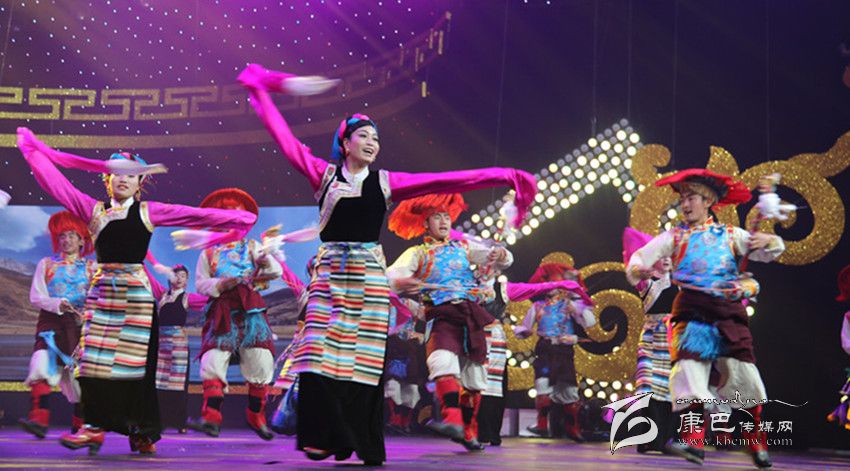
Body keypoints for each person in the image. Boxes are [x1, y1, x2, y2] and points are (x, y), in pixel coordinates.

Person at [238, 63, 536, 465]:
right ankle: (324, 434)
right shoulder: (324, 176)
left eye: (376, 138)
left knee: (362, 364)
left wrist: (504, 175)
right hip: (330, 276)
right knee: (316, 354)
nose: (372, 143)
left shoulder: (385, 182)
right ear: (345, 143)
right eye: (363, 135)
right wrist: (259, 91)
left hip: (368, 278)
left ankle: (360, 441)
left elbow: (448, 180)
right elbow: (284, 138)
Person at [17, 127, 257, 455]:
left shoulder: (148, 211)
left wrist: (237, 218)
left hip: (136, 297)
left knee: (134, 368)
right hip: (102, 294)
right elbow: (56, 184)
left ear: (140, 182)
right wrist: (31, 151)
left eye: (131, 175)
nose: (124, 179)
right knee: (92, 362)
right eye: (117, 173)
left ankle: (140, 430)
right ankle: (93, 427)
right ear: (107, 179)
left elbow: (193, 214)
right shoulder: (93, 210)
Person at [625, 169, 784, 468]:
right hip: (692, 310)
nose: (685, 204)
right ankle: (693, 440)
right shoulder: (674, 236)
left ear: (708, 201)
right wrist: (638, 269)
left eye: (692, 198)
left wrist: (769, 241)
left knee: (742, 374)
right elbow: (640, 257)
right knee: (690, 372)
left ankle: (755, 441)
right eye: (683, 199)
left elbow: (767, 252)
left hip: (727, 312)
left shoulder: (730, 235)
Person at [387, 193, 512, 451]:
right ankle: (452, 419)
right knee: (442, 361)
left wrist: (500, 254)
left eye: (446, 216)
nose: (443, 221)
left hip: (470, 316)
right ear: (425, 223)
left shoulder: (464, 248)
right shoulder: (417, 253)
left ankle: (469, 431)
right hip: (442, 315)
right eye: (437, 217)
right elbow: (392, 277)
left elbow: (501, 259)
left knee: (475, 378)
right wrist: (405, 282)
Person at [190, 188, 283, 440]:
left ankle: (256, 415)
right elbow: (201, 284)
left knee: (260, 359)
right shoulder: (208, 253)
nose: (232, 223)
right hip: (222, 310)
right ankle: (211, 417)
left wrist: (265, 261)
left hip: (251, 310)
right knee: (213, 359)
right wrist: (221, 284)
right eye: (226, 217)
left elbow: (275, 272)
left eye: (237, 217)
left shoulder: (252, 247)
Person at [19, 211, 95, 438]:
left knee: (80, 378)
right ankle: (39, 421)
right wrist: (57, 303)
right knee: (41, 364)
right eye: (62, 236)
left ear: (81, 240)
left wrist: (87, 314)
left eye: (72, 235)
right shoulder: (46, 264)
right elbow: (36, 296)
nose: (66, 240)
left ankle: (80, 425)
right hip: (51, 322)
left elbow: (98, 298)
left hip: (80, 327)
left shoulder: (92, 268)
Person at [514, 263, 596, 441]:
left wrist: (577, 308)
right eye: (547, 285)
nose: (551, 288)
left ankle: (573, 428)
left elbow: (590, 322)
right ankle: (542, 425)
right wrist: (523, 332)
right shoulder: (538, 306)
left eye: (554, 284)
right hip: (545, 349)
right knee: (542, 385)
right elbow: (525, 327)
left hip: (564, 351)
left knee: (569, 389)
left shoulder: (569, 304)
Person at [622, 227, 677, 453]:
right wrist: (639, 269)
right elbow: (633, 271)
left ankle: (663, 440)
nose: (665, 260)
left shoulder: (681, 282)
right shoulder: (648, 283)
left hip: (673, 339)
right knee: (647, 387)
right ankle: (645, 438)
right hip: (651, 337)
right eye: (661, 256)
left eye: (669, 256)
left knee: (669, 390)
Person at [145, 258, 209, 434]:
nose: (179, 278)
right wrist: (142, 258)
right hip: (161, 344)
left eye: (183, 276)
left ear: (187, 280)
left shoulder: (188, 298)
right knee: (159, 383)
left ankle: (179, 422)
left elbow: (211, 299)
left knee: (178, 384)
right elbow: (148, 276)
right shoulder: (162, 294)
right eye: (176, 275)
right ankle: (161, 420)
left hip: (178, 344)